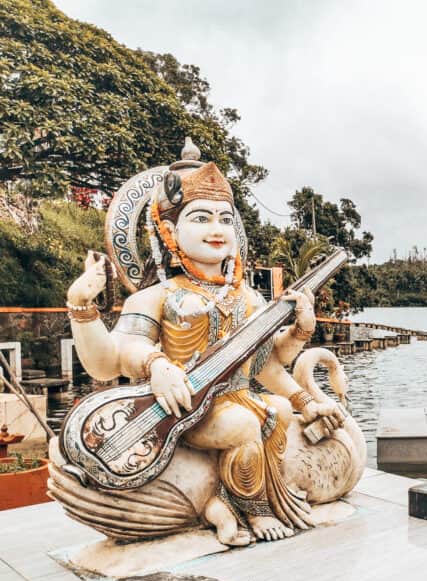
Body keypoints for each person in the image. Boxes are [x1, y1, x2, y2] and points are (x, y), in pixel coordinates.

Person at [65, 142, 342, 545]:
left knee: (278, 409)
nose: (216, 229)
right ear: (169, 230)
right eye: (201, 218)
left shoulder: (249, 299)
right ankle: (253, 510)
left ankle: (223, 501)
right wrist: (84, 309)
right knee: (244, 423)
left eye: (225, 219)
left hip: (241, 396)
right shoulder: (157, 296)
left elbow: (265, 363)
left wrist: (301, 339)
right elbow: (111, 361)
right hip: (190, 408)